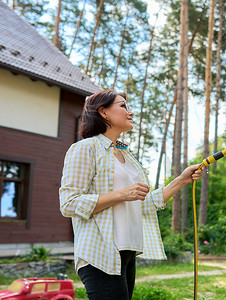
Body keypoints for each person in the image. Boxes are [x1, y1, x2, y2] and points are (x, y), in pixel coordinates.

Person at [59, 89, 203, 300]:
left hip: (126, 252)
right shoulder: (85, 149)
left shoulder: (126, 155)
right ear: (104, 112)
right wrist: (122, 194)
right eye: (123, 105)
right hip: (100, 252)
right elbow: (69, 203)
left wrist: (181, 179)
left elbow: (143, 203)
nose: (131, 112)